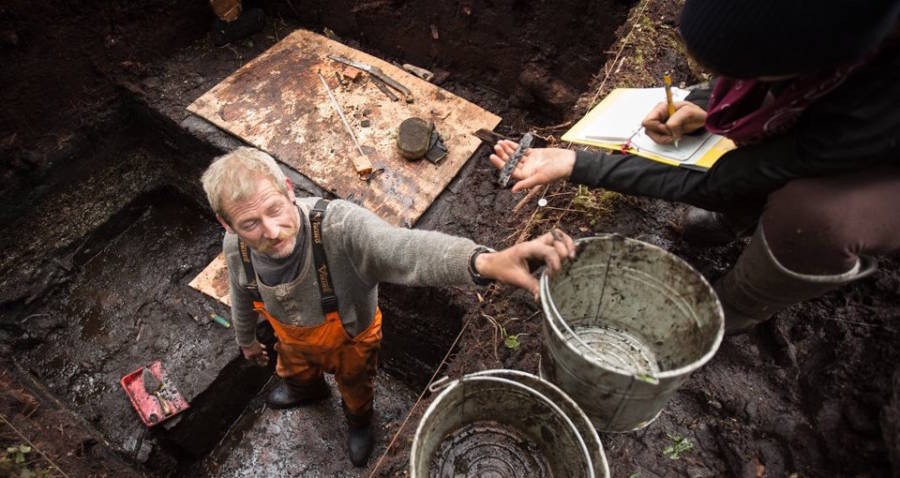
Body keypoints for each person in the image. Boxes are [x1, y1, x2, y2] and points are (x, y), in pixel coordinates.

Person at [490, 0, 900, 334]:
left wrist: (576, 163)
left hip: (884, 162)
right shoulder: (828, 38)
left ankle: (740, 306)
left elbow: (724, 180)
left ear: (824, 55)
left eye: (744, 72)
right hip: (831, 120)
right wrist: (704, 106)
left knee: (813, 218)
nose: (727, 79)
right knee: (760, 140)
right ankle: (746, 217)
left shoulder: (869, 110)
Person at [200, 147, 575, 467]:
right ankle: (305, 390)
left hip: (351, 338)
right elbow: (240, 293)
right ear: (227, 224)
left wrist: (482, 262)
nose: (271, 231)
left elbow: (403, 249)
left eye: (275, 210)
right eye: (250, 223)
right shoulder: (235, 247)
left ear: (288, 189)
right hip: (291, 340)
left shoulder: (340, 229)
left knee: (356, 387)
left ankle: (360, 421)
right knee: (293, 370)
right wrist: (247, 339)